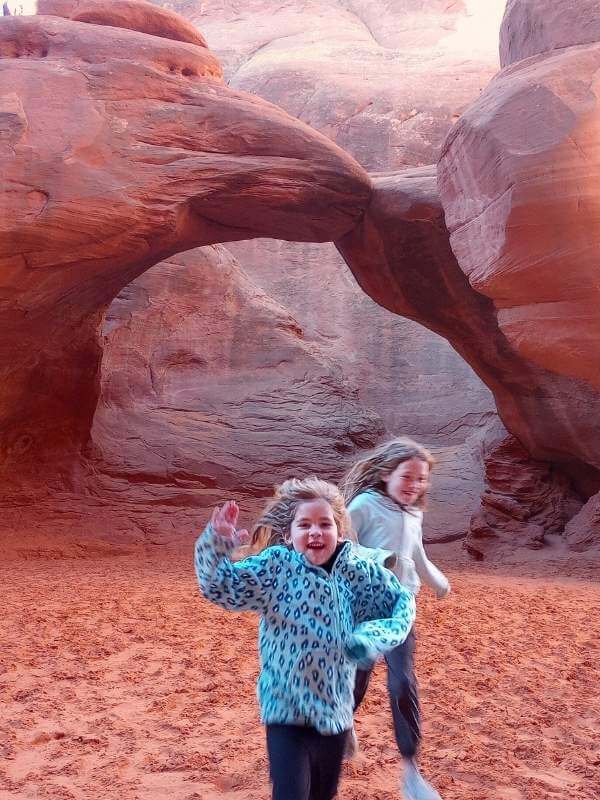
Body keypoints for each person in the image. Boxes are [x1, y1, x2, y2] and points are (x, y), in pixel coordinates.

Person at [194, 477, 416, 800]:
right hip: (285, 712)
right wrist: (216, 544)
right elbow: (220, 585)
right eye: (305, 525)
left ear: (339, 533)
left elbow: (402, 604)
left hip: (335, 715)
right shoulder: (275, 569)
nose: (315, 532)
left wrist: (371, 637)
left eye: (325, 524)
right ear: (289, 534)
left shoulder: (356, 573)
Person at [341, 437, 450, 800]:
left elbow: (416, 553)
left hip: (401, 608)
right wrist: (380, 558)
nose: (414, 486)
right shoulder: (363, 505)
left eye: (421, 480)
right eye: (407, 477)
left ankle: (411, 772)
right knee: (356, 680)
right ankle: (340, 728)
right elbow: (345, 546)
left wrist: (437, 580)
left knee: (402, 683)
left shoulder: (414, 512)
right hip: (363, 607)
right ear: (387, 473)